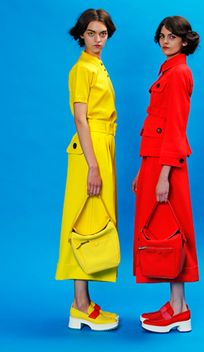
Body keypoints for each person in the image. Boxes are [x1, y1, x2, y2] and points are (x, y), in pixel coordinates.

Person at [132, 16, 200, 333]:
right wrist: (143, 169)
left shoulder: (178, 74)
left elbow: (174, 128)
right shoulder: (168, 71)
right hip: (155, 162)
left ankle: (179, 309)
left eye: (171, 36)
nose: (164, 41)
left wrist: (163, 175)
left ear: (184, 40)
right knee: (164, 234)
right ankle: (177, 305)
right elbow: (156, 126)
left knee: (172, 233)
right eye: (161, 36)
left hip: (166, 165)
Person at [55, 9, 119, 331]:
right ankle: (79, 305)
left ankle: (83, 302)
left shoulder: (97, 65)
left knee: (95, 220)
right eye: (92, 33)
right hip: (90, 150)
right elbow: (80, 118)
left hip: (102, 146)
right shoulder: (81, 69)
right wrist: (93, 165)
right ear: (81, 34)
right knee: (84, 221)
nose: (97, 40)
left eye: (103, 34)